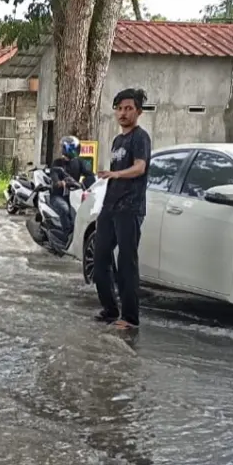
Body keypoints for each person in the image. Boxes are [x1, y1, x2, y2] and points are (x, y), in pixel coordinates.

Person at [93, 88, 151, 330]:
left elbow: (139, 168)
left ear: (138, 112)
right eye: (119, 108)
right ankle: (109, 309)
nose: (123, 113)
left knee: (127, 262)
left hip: (130, 207)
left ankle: (130, 318)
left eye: (129, 108)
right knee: (100, 258)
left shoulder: (140, 137)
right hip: (111, 205)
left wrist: (116, 173)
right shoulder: (118, 140)